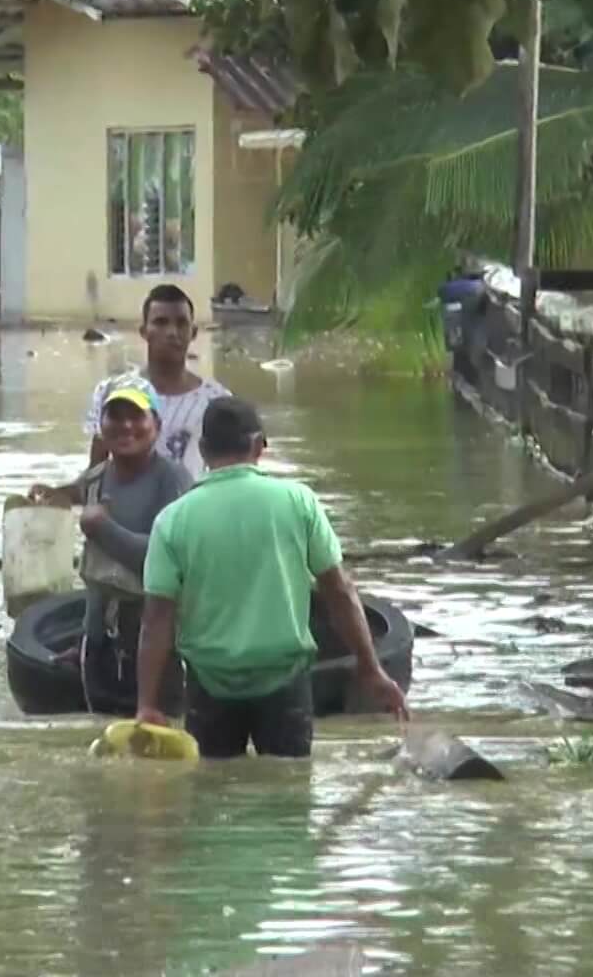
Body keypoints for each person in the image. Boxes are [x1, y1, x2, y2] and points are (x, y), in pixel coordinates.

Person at [134, 396, 408, 758]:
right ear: (259, 444)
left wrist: (146, 704)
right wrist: (371, 669)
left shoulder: (172, 520)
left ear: (202, 450)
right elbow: (339, 591)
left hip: (209, 685)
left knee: (213, 799)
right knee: (288, 796)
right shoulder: (298, 502)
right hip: (285, 683)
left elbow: (157, 619)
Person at [30, 377, 192, 713]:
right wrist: (46, 497)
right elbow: (98, 576)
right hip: (99, 643)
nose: (126, 426)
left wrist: (103, 528)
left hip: (157, 642)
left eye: (136, 416)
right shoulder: (96, 478)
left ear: (157, 425)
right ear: (101, 426)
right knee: (105, 743)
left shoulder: (172, 479)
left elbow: (165, 562)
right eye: (115, 416)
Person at [84, 285, 231, 480]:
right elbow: (95, 472)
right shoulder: (111, 392)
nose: (172, 332)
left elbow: (227, 478)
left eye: (181, 323)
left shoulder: (217, 401)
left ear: (193, 332)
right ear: (144, 331)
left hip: (188, 506)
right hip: (126, 507)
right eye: (161, 323)